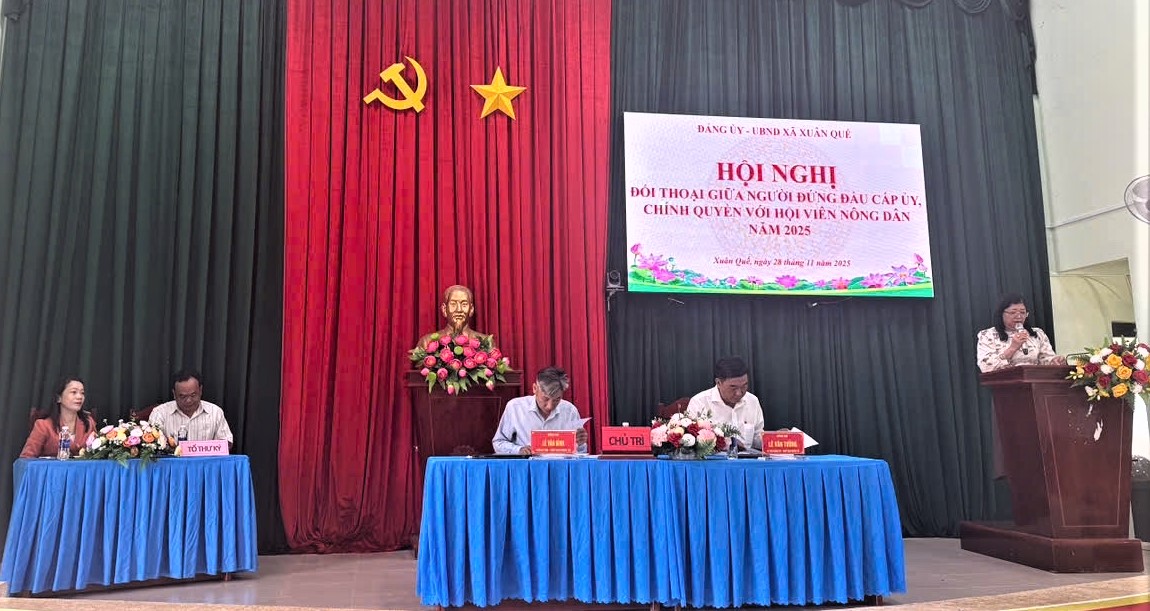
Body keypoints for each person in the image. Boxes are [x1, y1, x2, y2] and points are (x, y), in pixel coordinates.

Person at [493, 367, 587, 455]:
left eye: (556, 400)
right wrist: (519, 450)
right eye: (545, 399)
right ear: (535, 388)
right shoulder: (515, 407)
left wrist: (580, 443)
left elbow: (581, 452)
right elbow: (498, 443)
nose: (550, 406)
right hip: (527, 464)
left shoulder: (570, 411)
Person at [686, 356, 766, 449]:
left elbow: (756, 438)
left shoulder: (752, 401)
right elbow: (692, 442)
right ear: (718, 383)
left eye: (744, 386)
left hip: (748, 457)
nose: (739, 393)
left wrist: (775, 438)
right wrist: (727, 443)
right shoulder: (699, 402)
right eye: (733, 387)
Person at [976, 293, 1068, 373]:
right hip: (1005, 384)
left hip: (1035, 382)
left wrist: (1055, 361)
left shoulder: (1037, 333)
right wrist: (1012, 348)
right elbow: (986, 367)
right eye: (1013, 312)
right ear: (1001, 314)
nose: (1019, 316)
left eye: (1023, 312)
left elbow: (1046, 359)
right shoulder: (987, 335)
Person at [148, 369, 234, 445]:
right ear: (174, 394)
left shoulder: (215, 412)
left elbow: (226, 442)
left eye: (193, 395)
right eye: (183, 396)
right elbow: (151, 446)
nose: (188, 400)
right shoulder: (160, 413)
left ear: (200, 391)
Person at [20, 377, 97, 458]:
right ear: (59, 398)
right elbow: (26, 458)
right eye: (74, 392)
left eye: (82, 393)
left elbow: (96, 455)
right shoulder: (43, 426)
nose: (79, 397)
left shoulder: (89, 423)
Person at [417, 285, 490, 348]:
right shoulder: (427, 342)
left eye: (464, 304)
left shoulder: (486, 342)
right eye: (453, 304)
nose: (459, 310)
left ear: (471, 309)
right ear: (444, 309)